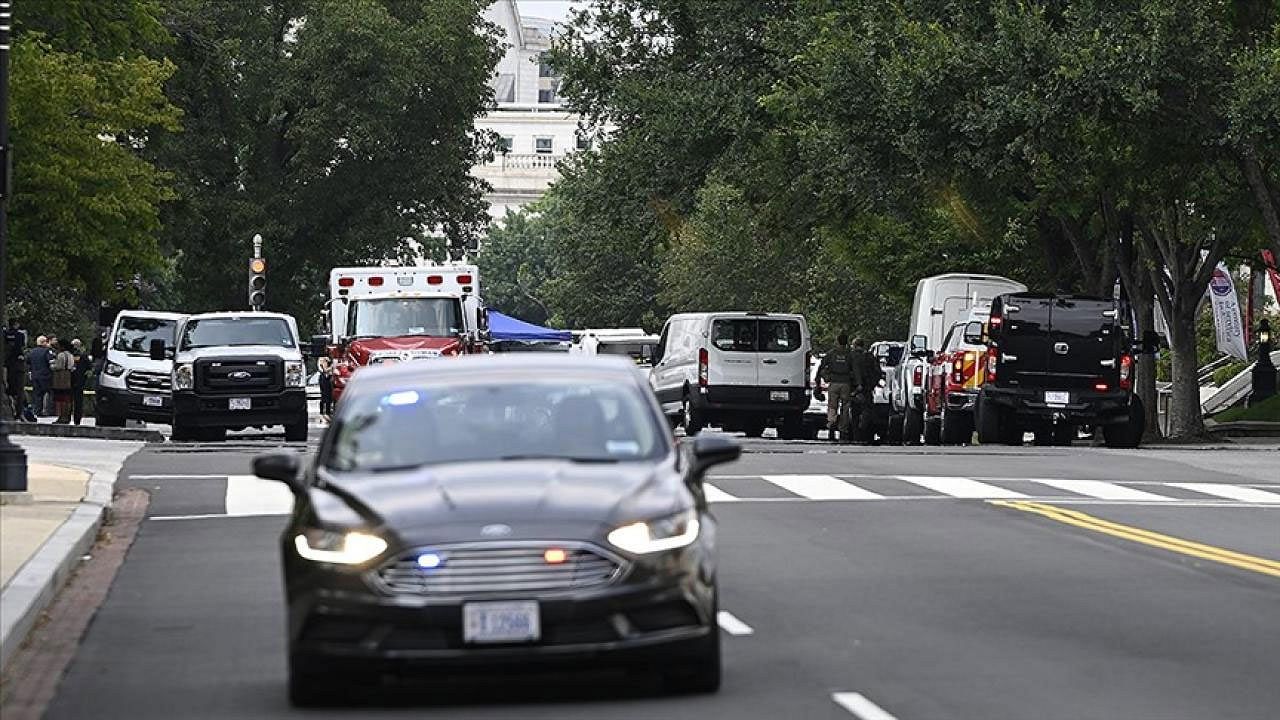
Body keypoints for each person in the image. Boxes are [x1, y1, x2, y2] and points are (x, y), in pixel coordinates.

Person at [816, 333, 855, 442]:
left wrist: (818, 380)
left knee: (832, 406)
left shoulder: (831, 353)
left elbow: (821, 366)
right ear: (847, 342)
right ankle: (843, 431)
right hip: (846, 384)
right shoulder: (850, 354)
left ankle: (831, 425)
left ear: (837, 341)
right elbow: (855, 370)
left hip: (833, 383)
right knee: (845, 408)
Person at [849, 338, 881, 442]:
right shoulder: (869, 357)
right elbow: (878, 373)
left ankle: (855, 436)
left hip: (853, 389)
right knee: (867, 411)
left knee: (854, 413)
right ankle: (865, 434)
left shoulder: (850, 356)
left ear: (854, 345)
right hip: (867, 389)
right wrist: (872, 385)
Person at [27, 335, 55, 417]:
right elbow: (50, 361)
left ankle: (37, 411)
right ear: (43, 343)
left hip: (35, 375)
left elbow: (28, 361)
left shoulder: (32, 351)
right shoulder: (47, 351)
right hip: (45, 375)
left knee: (37, 394)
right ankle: (46, 411)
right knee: (48, 392)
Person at [3, 319, 27, 418]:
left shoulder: (5, 334)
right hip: (17, 365)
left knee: (8, 388)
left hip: (7, 364)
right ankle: (19, 412)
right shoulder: (20, 335)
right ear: (16, 324)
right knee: (19, 390)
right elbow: (21, 347)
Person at [51, 338, 77, 424]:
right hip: (69, 376)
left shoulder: (61, 355)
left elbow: (58, 366)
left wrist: (52, 366)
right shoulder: (70, 355)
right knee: (67, 398)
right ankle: (67, 416)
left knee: (61, 398)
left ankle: (62, 416)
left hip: (61, 377)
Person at [70, 338, 93, 425]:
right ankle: (77, 420)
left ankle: (71, 418)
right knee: (77, 401)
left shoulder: (70, 355)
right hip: (79, 381)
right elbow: (89, 368)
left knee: (71, 400)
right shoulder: (84, 356)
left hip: (72, 381)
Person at [317, 356, 334, 421]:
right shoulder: (321, 359)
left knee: (329, 396)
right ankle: (322, 413)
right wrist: (330, 367)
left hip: (329, 377)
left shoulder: (330, 359)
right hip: (324, 378)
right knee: (324, 395)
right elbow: (323, 369)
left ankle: (327, 412)